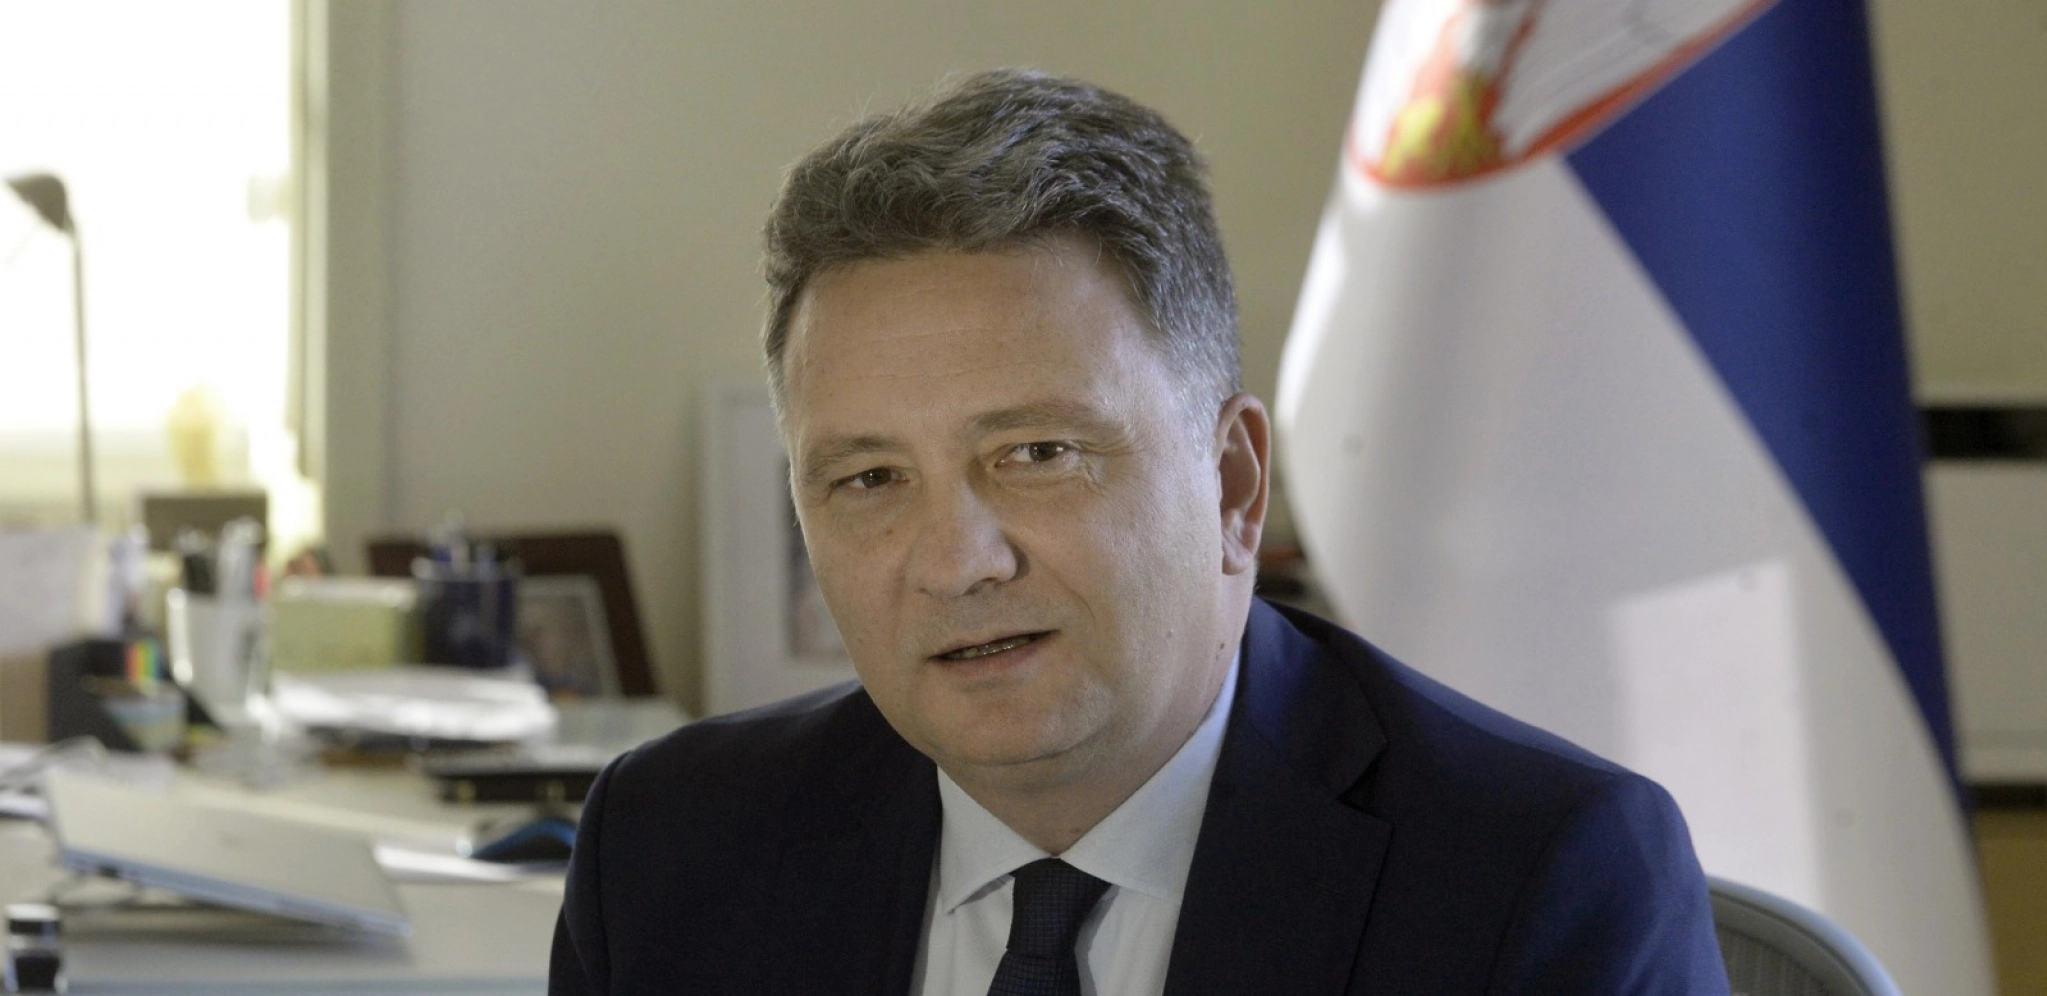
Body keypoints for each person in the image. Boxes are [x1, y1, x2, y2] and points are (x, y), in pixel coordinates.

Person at [550, 69, 1729, 996]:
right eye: (868, 478)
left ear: (1233, 485)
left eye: (1037, 455)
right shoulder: (669, 850)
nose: (955, 563)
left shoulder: (1537, 877)